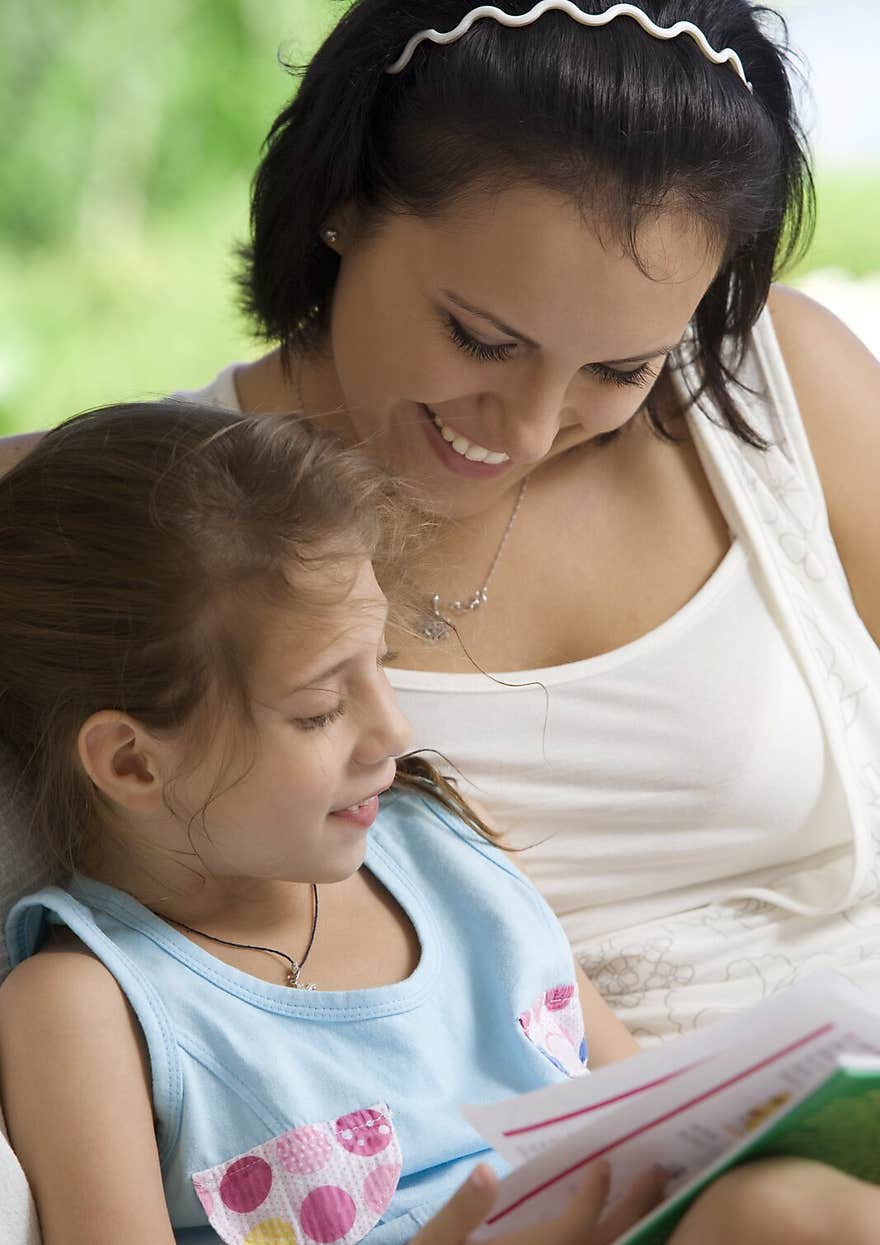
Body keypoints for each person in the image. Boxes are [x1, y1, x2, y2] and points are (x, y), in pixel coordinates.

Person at [2, 1, 879, 1047]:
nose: (530, 427)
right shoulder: (120, 525)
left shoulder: (780, 383)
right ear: (344, 203)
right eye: (481, 338)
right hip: (553, 1162)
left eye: (619, 369)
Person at [3, 400, 880, 1245]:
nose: (394, 731)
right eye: (316, 710)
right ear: (134, 762)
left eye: (380, 662)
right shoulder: (89, 1005)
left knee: (791, 1221)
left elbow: (638, 1116)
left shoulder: (435, 846)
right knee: (790, 1233)